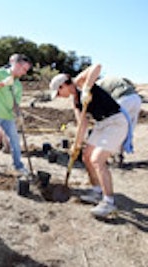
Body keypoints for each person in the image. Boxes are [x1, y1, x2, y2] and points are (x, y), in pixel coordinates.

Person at [49, 64, 133, 218]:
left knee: (97, 160)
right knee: (86, 156)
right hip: (101, 125)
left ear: (63, 85)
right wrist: (76, 145)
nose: (59, 96)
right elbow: (82, 125)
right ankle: (96, 191)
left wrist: (87, 88)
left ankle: (109, 202)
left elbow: (97, 67)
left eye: (58, 92)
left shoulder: (79, 82)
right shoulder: (75, 102)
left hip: (116, 122)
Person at [0, 53, 32, 175]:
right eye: (24, 69)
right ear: (17, 65)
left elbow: (16, 103)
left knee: (15, 140)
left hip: (8, 116)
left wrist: (18, 115)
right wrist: (3, 83)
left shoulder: (18, 84)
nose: (24, 73)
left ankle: (18, 165)